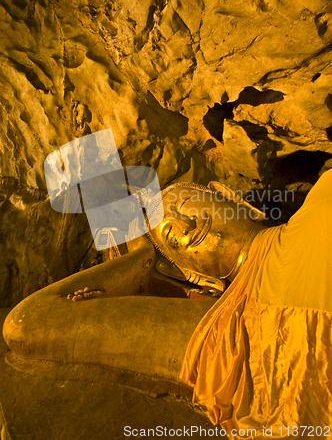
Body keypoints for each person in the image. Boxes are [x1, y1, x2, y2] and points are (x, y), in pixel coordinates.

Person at [3, 171, 332, 438]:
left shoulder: (324, 195)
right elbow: (31, 323)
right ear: (198, 277)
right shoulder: (224, 337)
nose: (184, 226)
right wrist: (142, 257)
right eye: (170, 238)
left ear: (231, 199)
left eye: (186, 204)